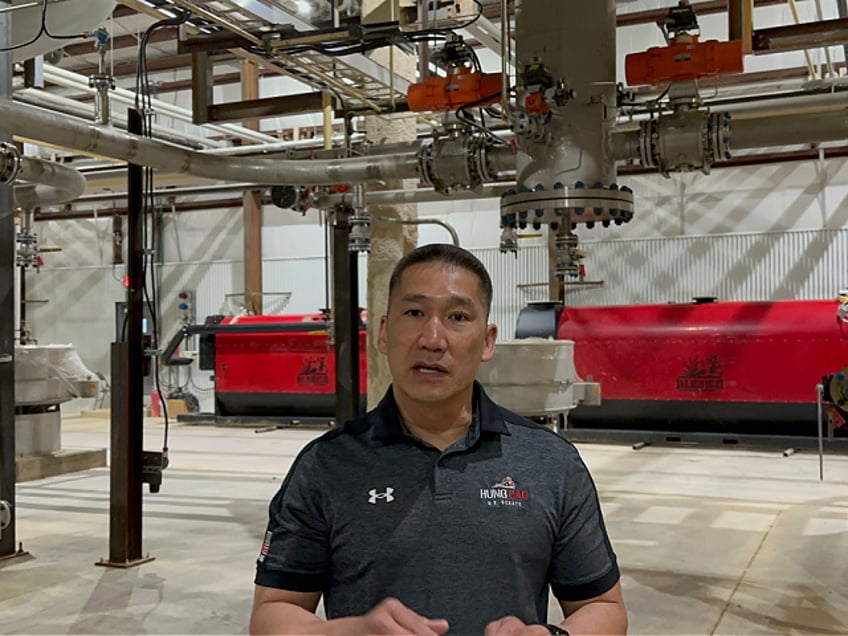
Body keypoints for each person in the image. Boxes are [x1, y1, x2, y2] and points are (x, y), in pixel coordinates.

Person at [250, 243, 626, 636]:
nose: (432, 339)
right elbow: (273, 614)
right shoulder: (325, 466)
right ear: (382, 332)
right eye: (414, 313)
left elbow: (603, 607)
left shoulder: (552, 463)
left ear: (487, 341)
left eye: (458, 317)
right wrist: (349, 633)